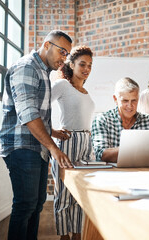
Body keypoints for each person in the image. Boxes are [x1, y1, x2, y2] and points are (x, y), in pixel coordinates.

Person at [0, 30, 73, 240]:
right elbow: (28, 115)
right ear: (47, 45)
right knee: (25, 205)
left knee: (37, 203)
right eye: (62, 51)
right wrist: (53, 147)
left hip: (35, 146)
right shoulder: (26, 68)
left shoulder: (42, 72)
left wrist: (53, 132)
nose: (64, 58)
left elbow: (36, 113)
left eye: (67, 54)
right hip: (21, 146)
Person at [50, 46, 95, 240]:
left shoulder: (85, 91)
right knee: (64, 194)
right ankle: (64, 237)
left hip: (86, 142)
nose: (86, 68)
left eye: (90, 65)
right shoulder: (62, 85)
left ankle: (77, 235)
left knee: (80, 194)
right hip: (68, 142)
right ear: (71, 64)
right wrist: (51, 132)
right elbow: (40, 107)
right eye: (82, 64)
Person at [91, 77, 149, 162]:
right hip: (112, 174)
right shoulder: (102, 120)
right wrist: (137, 149)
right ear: (115, 99)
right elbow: (100, 155)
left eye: (134, 100)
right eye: (125, 101)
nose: (130, 106)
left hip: (142, 172)